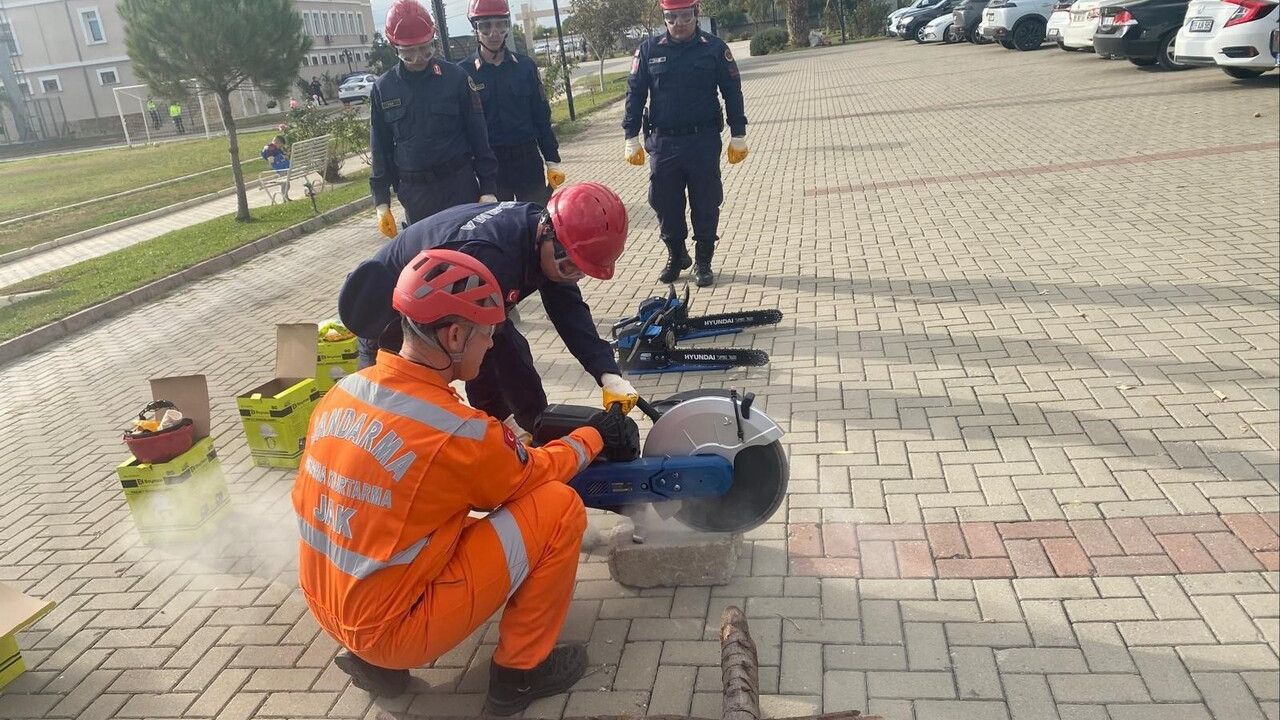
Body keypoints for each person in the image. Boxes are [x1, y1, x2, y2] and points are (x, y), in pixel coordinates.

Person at [295, 248, 640, 714]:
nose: (493, 344)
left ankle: (375, 665)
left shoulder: (344, 392)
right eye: (489, 333)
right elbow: (531, 476)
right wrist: (593, 437)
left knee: (425, 520)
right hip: (393, 631)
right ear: (454, 335)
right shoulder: (454, 431)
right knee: (557, 507)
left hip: (328, 606)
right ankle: (519, 675)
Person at [339, 182, 639, 439]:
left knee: (511, 356)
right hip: (388, 323)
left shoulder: (540, 228)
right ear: (549, 233)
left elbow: (569, 311)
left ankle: (534, 430)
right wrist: (500, 423)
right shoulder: (488, 256)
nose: (572, 275)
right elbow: (473, 358)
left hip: (452, 305)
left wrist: (606, 372)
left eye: (581, 271)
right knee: (402, 425)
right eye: (569, 265)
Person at [621, 0, 748, 287]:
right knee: (665, 202)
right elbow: (635, 94)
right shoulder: (649, 51)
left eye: (685, 16)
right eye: (671, 16)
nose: (679, 22)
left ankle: (704, 260)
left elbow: (732, 91)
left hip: (702, 140)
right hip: (663, 141)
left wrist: (738, 133)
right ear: (664, 17)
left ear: (696, 14)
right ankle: (676, 254)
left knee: (705, 200)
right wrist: (630, 136)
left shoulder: (714, 48)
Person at [370, 0, 499, 237]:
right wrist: (381, 203)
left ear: (434, 40)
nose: (419, 57)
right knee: (430, 262)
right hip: (416, 195)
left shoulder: (456, 78)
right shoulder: (383, 89)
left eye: (425, 49)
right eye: (409, 52)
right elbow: (381, 149)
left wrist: (488, 187)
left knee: (470, 254)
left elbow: (479, 136)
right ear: (394, 46)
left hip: (458, 185)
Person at [459, 0, 563, 206]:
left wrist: (552, 159)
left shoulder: (525, 67)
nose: (494, 32)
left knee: (537, 225)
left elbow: (541, 117)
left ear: (507, 26)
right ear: (475, 29)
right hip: (491, 168)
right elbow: (462, 129)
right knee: (497, 230)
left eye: (500, 24)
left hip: (527, 161)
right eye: (486, 26)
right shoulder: (463, 74)